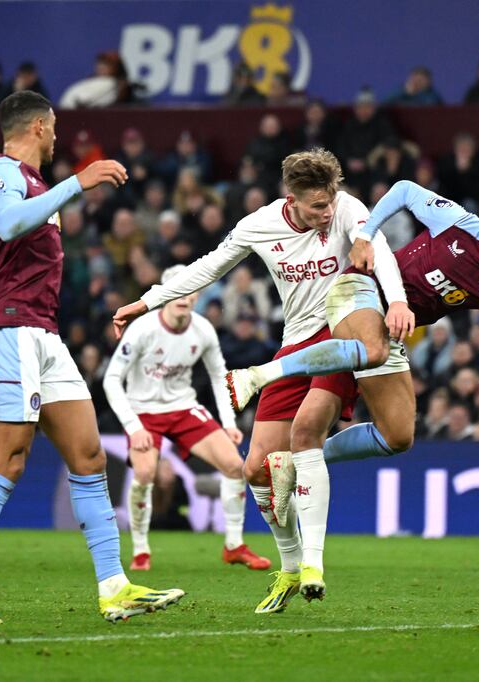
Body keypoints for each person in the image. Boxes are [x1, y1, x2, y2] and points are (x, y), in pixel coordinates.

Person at [112, 149, 407, 613]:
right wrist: (147, 302)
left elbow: (379, 251)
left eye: (329, 202)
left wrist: (397, 302)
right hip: (295, 344)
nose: (326, 212)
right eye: (316, 207)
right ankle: (289, 568)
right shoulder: (260, 225)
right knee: (254, 469)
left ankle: (313, 564)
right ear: (291, 199)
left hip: (342, 332)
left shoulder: (348, 209)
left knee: (307, 430)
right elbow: (207, 267)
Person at [0, 91, 183, 626]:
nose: (58, 136)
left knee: (90, 456)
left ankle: (113, 587)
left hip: (43, 335)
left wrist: (66, 188)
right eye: (55, 128)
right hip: (6, 329)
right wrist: (79, 182)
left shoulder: (39, 186)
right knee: (8, 458)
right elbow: (6, 225)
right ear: (41, 126)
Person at [223, 178, 479, 542]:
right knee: (358, 367)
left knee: (398, 435)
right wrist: (365, 235)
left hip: (389, 328)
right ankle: (258, 375)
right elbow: (405, 190)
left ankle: (297, 464)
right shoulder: (457, 222)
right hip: (361, 289)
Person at [103, 265, 270, 572]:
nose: (182, 295)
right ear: (164, 295)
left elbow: (219, 377)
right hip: (143, 411)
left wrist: (229, 423)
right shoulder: (142, 329)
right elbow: (111, 380)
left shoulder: (203, 329)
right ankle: (141, 551)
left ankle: (234, 545)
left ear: (197, 296)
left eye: (189, 289)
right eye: (175, 289)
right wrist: (133, 426)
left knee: (234, 465)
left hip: (182, 408)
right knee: (145, 473)